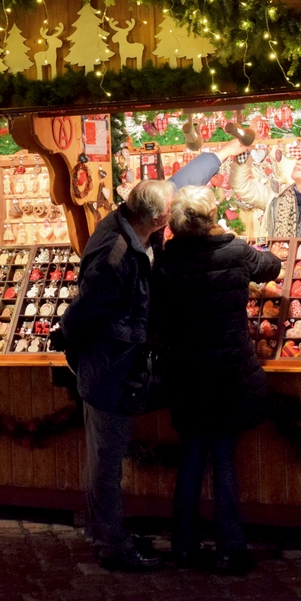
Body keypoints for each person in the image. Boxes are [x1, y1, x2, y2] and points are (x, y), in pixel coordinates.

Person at [59, 141, 247, 570]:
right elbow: (86, 311)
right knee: (107, 459)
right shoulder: (116, 255)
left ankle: (109, 531)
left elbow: (183, 181)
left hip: (122, 363)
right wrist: (69, 342)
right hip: (109, 367)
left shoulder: (135, 220)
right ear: (161, 218)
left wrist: (227, 150)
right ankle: (111, 545)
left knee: (107, 454)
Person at [151, 186, 283, 575]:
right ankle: (231, 549)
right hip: (228, 372)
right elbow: (271, 266)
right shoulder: (234, 250)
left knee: (191, 457)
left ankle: (184, 546)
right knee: (224, 457)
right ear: (211, 218)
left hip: (187, 373)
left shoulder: (166, 261)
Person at [228, 149, 301, 241]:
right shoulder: (275, 196)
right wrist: (246, 149)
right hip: (278, 268)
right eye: (299, 158)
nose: (298, 161)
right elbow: (240, 185)